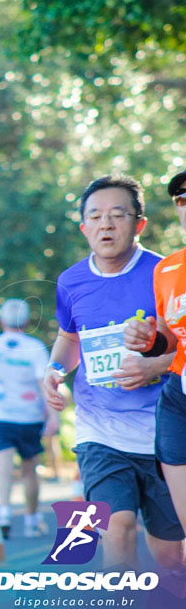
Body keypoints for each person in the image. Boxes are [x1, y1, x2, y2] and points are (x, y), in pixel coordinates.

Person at [43, 174, 183, 569]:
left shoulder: (166, 274)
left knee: (169, 554)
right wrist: (54, 370)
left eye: (118, 215)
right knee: (116, 525)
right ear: (84, 227)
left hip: (163, 433)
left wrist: (153, 364)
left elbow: (182, 347)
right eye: (96, 216)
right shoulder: (71, 282)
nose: (106, 224)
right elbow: (70, 339)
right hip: (99, 433)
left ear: (139, 224)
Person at [123, 168, 186, 565]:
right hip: (179, 400)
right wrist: (147, 341)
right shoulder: (168, 270)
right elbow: (169, 339)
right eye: (182, 200)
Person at [0, 298, 58, 539]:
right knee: (30, 469)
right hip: (29, 416)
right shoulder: (36, 347)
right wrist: (52, 416)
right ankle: (32, 520)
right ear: (28, 321)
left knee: (3, 467)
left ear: (1, 320)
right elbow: (46, 383)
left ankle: (4, 512)